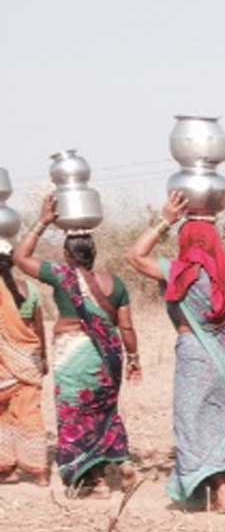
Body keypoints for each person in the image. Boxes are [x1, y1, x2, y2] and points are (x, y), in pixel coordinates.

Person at [127, 192, 225, 513]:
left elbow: (135, 256)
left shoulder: (179, 272)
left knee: (191, 422)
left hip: (195, 355)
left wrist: (165, 220)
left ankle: (222, 491)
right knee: (215, 416)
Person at [14, 196, 141, 497]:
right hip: (108, 357)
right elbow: (126, 327)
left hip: (72, 353)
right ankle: (122, 465)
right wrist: (134, 357)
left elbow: (20, 257)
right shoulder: (116, 284)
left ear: (68, 256)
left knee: (75, 414)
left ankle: (93, 481)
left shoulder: (61, 276)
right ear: (93, 253)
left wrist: (44, 221)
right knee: (104, 411)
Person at [0, 240, 49, 486]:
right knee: (30, 415)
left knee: (2, 416)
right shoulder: (29, 288)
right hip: (29, 361)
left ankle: (6, 469)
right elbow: (39, 327)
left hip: (3, 366)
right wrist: (44, 358)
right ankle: (39, 472)